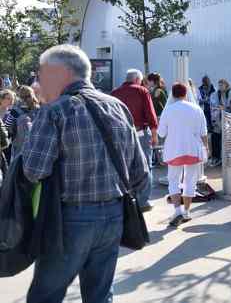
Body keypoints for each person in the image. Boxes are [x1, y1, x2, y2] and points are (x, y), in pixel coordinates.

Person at [22, 45, 149, 303]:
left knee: (44, 296)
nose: (39, 82)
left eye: (42, 75)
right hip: (114, 215)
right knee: (100, 295)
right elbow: (140, 172)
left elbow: (33, 170)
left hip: (70, 219)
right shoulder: (117, 106)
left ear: (61, 74)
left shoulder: (55, 111)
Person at [158, 83, 209, 227]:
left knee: (173, 180)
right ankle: (186, 211)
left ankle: (177, 210)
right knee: (190, 180)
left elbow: (162, 133)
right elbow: (203, 132)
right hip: (193, 149)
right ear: (186, 94)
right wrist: (207, 148)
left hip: (174, 150)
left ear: (172, 94)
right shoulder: (196, 109)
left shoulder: (168, 110)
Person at [111, 69, 159, 212]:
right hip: (140, 133)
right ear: (138, 80)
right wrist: (155, 134)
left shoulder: (114, 93)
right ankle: (143, 201)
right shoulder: (142, 91)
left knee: (124, 166)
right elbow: (150, 114)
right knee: (145, 166)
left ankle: (127, 199)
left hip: (120, 135)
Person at [4, 85, 40, 160]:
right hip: (20, 152)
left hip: (34, 151)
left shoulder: (40, 110)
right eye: (23, 97)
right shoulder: (15, 111)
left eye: (28, 96)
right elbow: (6, 128)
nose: (26, 99)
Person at [209, 79, 231, 167]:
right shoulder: (214, 94)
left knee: (226, 140)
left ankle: (225, 158)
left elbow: (230, 106)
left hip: (227, 121)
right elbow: (213, 105)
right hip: (217, 121)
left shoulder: (230, 94)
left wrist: (224, 108)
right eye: (219, 85)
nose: (220, 87)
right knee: (215, 139)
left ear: (226, 85)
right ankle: (216, 158)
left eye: (222, 85)